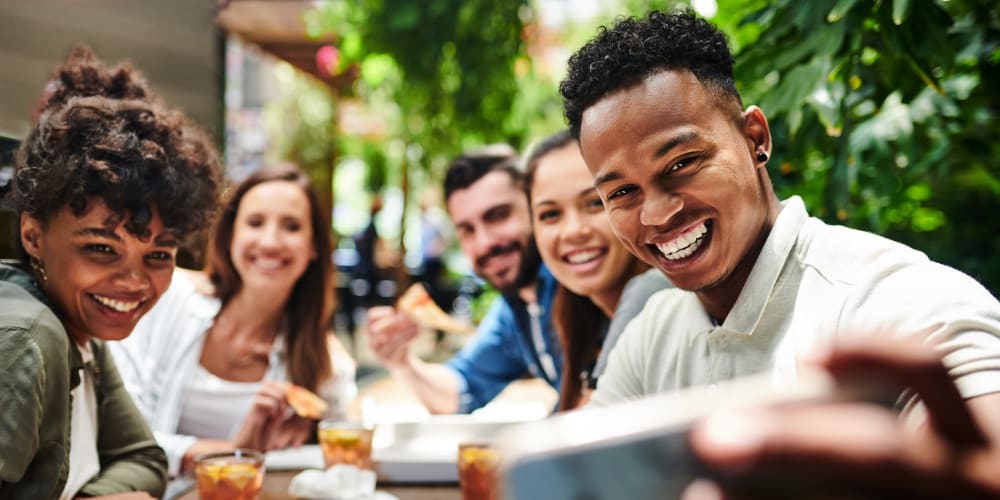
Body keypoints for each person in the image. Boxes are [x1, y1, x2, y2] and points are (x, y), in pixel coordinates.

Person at [560, 9, 1000, 497]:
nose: (657, 214)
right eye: (621, 193)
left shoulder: (900, 301)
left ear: (755, 138)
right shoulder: (652, 334)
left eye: (682, 163)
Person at [0, 47, 222, 498]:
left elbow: (143, 457)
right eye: (101, 248)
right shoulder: (27, 340)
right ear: (32, 235)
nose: (134, 283)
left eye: (159, 255)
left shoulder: (82, 330)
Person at [110, 164, 357, 476]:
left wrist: (316, 428)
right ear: (231, 235)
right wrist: (233, 452)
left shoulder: (324, 362)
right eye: (255, 222)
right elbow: (119, 436)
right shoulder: (167, 298)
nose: (270, 242)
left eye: (291, 226)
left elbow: (350, 450)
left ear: (314, 247)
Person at [366, 145, 562, 414]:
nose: (484, 244)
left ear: (535, 206)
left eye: (498, 215)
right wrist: (401, 363)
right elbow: (461, 392)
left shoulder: (580, 284)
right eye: (467, 230)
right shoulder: (515, 310)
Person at [524, 130, 671, 410]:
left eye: (594, 203)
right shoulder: (579, 320)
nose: (574, 231)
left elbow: (586, 439)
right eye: (550, 214)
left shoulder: (653, 291)